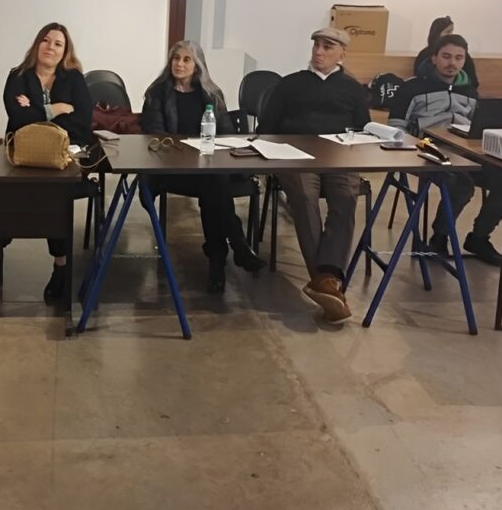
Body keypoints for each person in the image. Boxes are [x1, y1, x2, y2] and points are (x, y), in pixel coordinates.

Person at [257, 28, 369, 323]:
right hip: (295, 155)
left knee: (345, 197)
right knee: (305, 196)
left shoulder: (352, 88)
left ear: (342, 54)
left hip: (339, 155)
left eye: (327, 46)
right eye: (317, 45)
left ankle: (325, 279)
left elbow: (361, 128)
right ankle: (328, 281)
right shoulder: (290, 84)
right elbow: (267, 126)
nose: (319, 51)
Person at [140, 40, 265, 292]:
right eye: (176, 58)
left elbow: (227, 135)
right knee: (215, 186)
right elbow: (155, 136)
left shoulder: (211, 93)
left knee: (213, 186)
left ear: (197, 65)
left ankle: (218, 260)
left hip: (205, 168)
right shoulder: (157, 92)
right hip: (171, 169)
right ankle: (234, 249)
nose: (180, 64)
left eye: (187, 60)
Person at [388, 34, 502, 266]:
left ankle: (479, 238)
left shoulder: (470, 91)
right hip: (424, 152)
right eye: (446, 56)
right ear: (434, 58)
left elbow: (478, 128)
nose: (452, 63)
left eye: (458, 58)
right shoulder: (411, 88)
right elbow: (395, 128)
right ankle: (439, 238)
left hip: (463, 152)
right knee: (461, 183)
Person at [3, 22, 93, 302]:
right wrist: (54, 109)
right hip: (24, 158)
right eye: (46, 40)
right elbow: (16, 119)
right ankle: (0, 234)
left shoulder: (74, 79)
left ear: (65, 50)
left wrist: (34, 113)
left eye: (58, 43)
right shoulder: (18, 76)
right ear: (37, 44)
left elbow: (81, 123)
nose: (50, 47)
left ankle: (61, 267)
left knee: (57, 192)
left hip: (64, 158)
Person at [413, 16, 479, 89]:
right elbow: (417, 79)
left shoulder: (463, 53)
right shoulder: (424, 54)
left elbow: (473, 81)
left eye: (458, 58)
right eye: (448, 32)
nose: (452, 62)